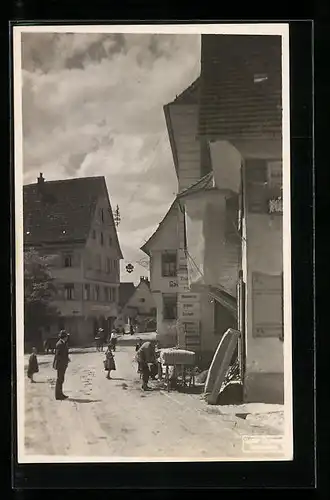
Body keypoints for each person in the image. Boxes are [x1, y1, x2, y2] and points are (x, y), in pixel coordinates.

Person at [53, 330, 70, 400]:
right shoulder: (59, 344)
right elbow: (57, 356)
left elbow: (64, 353)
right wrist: (64, 360)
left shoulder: (63, 343)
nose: (67, 337)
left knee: (61, 379)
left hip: (63, 363)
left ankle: (60, 394)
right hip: (60, 364)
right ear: (64, 337)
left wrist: (67, 358)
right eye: (66, 336)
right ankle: (58, 395)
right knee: (59, 379)